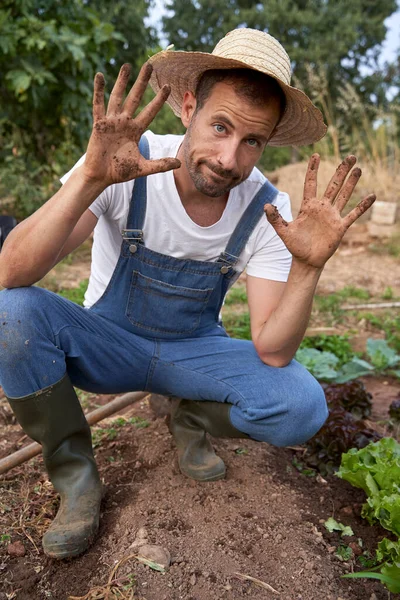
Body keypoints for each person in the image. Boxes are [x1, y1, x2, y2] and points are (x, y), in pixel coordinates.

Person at [0, 28, 376, 560]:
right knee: (9, 312)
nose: (228, 158)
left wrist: (307, 268)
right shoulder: (125, 162)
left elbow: (273, 350)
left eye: (252, 141)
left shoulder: (267, 208)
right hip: (106, 349)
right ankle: (76, 476)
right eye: (220, 127)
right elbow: (10, 272)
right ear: (188, 106)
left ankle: (190, 416)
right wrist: (89, 178)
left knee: (300, 405)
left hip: (190, 356)